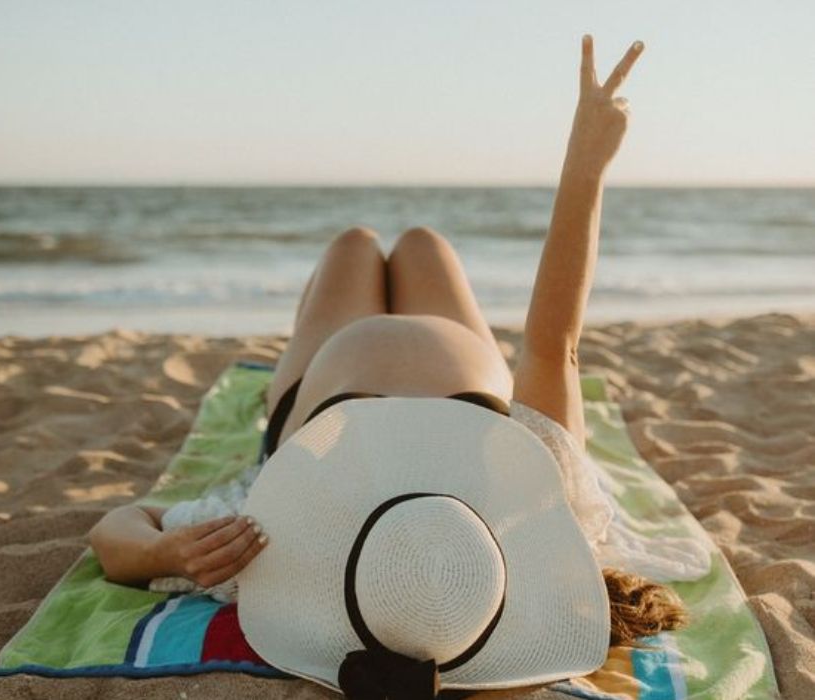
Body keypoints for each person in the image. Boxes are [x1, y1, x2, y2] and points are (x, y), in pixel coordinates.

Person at [88, 35, 688, 691]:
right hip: (455, 349)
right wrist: (585, 166)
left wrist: (158, 553)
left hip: (319, 377)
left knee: (356, 244)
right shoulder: (542, 496)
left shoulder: (272, 545)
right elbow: (553, 344)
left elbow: (113, 533)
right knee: (422, 244)